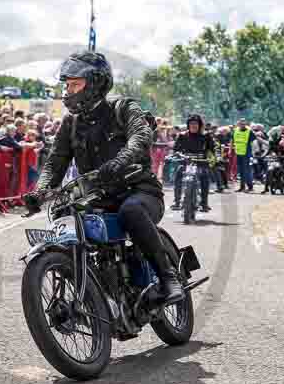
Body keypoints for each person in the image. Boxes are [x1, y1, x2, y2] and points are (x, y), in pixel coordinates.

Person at [24, 51, 182, 308]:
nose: (68, 90)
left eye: (75, 84)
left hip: (138, 190)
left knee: (130, 211)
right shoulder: (71, 123)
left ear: (95, 83)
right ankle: (98, 289)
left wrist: (119, 162)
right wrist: (39, 191)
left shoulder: (122, 108)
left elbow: (140, 137)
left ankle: (168, 277)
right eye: (67, 85)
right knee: (68, 218)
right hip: (97, 198)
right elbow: (55, 162)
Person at [171, 114, 214, 212]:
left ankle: (204, 203)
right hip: (185, 161)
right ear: (188, 125)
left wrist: (217, 157)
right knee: (178, 175)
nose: (193, 125)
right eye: (191, 124)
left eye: (195, 124)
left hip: (201, 162)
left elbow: (212, 149)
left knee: (205, 178)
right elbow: (175, 149)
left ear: (199, 125)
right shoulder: (182, 135)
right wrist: (177, 155)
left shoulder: (206, 136)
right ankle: (177, 201)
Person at [233, 119, 256, 192]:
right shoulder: (235, 130)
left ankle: (250, 187)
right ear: (238, 124)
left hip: (247, 154)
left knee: (247, 171)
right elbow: (232, 140)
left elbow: (253, 140)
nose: (242, 125)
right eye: (240, 123)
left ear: (245, 124)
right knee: (240, 171)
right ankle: (242, 187)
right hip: (238, 153)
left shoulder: (249, 131)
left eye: (243, 124)